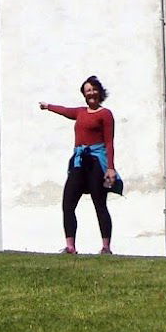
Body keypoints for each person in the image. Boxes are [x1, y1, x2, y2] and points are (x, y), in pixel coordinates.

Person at [39, 75, 117, 254]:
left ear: (100, 92)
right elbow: (65, 111)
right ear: (84, 94)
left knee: (100, 204)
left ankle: (106, 247)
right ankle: (70, 246)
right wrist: (48, 106)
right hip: (79, 162)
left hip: (96, 162)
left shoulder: (105, 114)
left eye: (94, 89)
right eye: (88, 90)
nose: (91, 93)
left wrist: (110, 168)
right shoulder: (80, 112)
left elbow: (109, 143)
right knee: (68, 203)